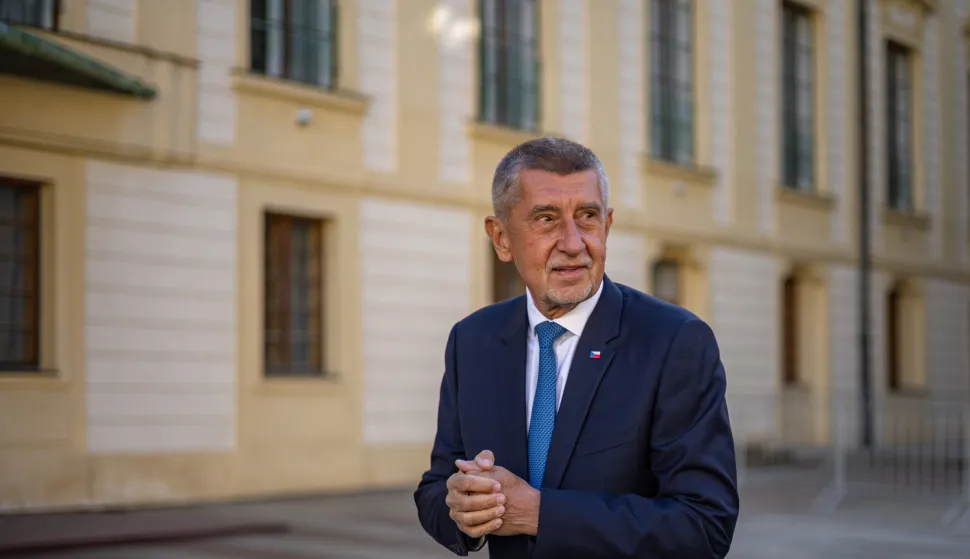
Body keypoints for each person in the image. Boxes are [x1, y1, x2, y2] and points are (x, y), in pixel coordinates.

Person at [413, 137, 739, 558]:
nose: (573, 242)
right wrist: (460, 507)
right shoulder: (472, 340)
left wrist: (538, 514)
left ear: (607, 225)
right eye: (546, 219)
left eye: (587, 216)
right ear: (501, 238)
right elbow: (436, 489)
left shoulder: (674, 341)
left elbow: (704, 526)